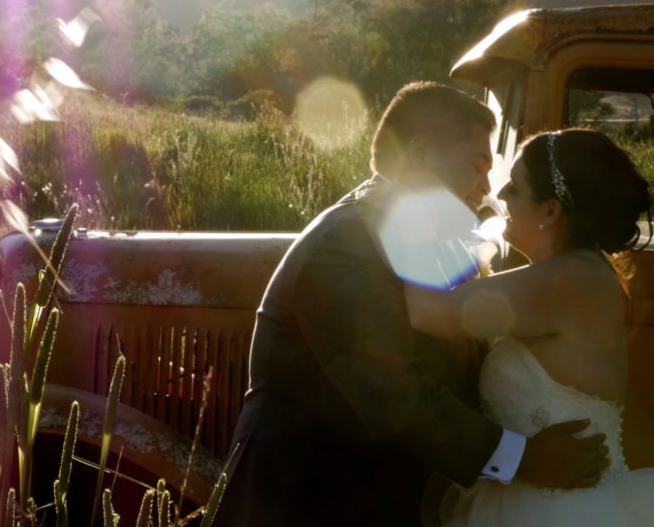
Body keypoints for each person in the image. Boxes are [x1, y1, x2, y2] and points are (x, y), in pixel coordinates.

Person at [219, 83, 610, 526]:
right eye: (476, 167)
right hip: (310, 502)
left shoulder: (424, 233)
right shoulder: (348, 241)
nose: (487, 190)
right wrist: (522, 457)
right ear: (421, 154)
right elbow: (389, 390)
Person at [405, 128, 654, 526]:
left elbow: (428, 312)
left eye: (516, 186)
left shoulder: (567, 279)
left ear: (550, 211)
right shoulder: (573, 272)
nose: (501, 195)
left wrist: (406, 211)